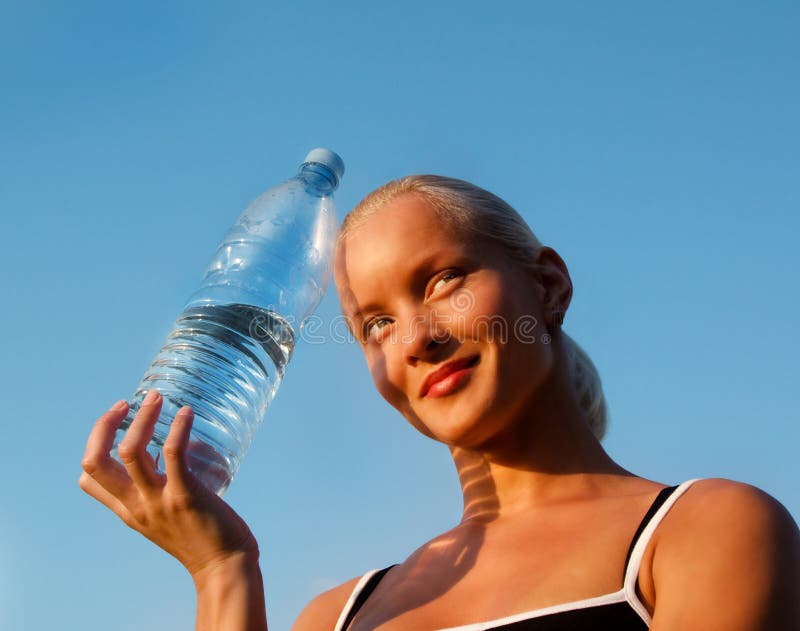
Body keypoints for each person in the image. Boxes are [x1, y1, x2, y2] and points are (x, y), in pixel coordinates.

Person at [80, 175, 800, 630]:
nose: (416, 339)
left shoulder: (704, 532)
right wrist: (221, 569)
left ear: (546, 286)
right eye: (376, 325)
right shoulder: (335, 615)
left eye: (442, 279)